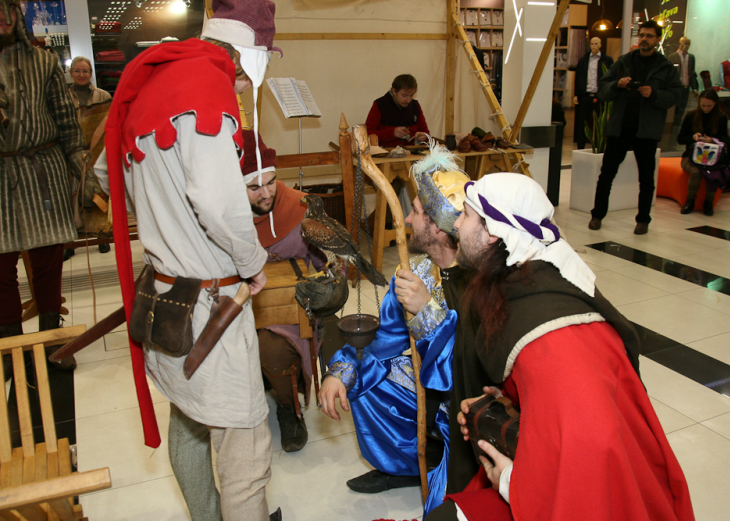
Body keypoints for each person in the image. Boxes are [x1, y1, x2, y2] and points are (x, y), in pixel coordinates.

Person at [425, 173, 695, 521]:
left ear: (493, 232)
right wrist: (513, 401)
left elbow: (591, 453)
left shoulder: (547, 348)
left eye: (464, 215)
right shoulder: (531, 285)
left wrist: (508, 479)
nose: (456, 225)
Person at [104, 1, 283, 519]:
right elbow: (215, 200)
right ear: (251, 55)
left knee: (187, 418)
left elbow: (104, 174)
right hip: (210, 306)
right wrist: (252, 260)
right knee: (245, 453)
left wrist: (164, 224)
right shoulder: (207, 86)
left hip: (165, 298)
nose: (252, 83)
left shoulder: (155, 80)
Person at [319, 141, 470, 516]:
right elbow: (384, 340)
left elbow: (471, 366)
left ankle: (443, 460)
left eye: (416, 212)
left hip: (464, 407)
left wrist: (426, 312)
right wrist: (340, 372)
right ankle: (403, 466)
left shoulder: (481, 281)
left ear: (437, 227)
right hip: (427, 392)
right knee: (365, 378)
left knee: (444, 509)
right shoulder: (416, 271)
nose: (405, 220)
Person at [242, 129, 347, 453]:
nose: (266, 193)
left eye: (271, 181)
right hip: (241, 309)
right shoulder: (223, 217)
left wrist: (331, 284)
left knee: (271, 352)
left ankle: (290, 411)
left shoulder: (300, 207)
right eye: (254, 186)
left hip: (293, 310)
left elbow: (334, 260)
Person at [0, 0, 86, 369]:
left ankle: (53, 343)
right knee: (1, 267)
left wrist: (84, 171)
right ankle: (11, 348)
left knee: (49, 260)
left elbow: (67, 121)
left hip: (43, 169)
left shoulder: (44, 61)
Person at [588, 20, 682, 235]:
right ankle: (597, 215)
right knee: (606, 175)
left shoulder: (665, 67)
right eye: (642, 35)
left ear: (657, 40)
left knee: (646, 178)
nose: (644, 39)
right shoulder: (623, 62)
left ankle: (643, 220)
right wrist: (617, 85)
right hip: (620, 128)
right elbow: (602, 90)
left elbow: (675, 95)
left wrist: (654, 94)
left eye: (649, 36)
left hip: (646, 131)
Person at [66, 55, 113, 258]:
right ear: (71, 73)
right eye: (77, 71)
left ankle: (102, 237)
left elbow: (108, 123)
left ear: (91, 74)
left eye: (85, 71)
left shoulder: (103, 95)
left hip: (96, 151)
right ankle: (70, 242)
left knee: (98, 194)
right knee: (71, 196)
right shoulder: (63, 96)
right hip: (71, 151)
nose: (81, 75)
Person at [677, 89, 730, 216]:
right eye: (703, 105)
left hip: (713, 158)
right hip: (692, 157)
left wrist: (713, 140)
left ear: (716, 104)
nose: (706, 109)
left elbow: (726, 139)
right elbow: (680, 139)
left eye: (709, 106)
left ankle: (709, 203)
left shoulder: (721, 118)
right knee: (696, 172)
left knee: (713, 173)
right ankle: (690, 201)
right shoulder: (691, 116)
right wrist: (693, 137)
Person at [366, 74, 430, 147]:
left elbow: (426, 133)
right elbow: (367, 134)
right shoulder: (380, 105)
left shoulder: (415, 106)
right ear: (394, 91)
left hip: (411, 153)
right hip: (386, 153)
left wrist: (424, 137)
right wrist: (392, 133)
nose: (408, 100)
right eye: (404, 95)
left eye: (411, 95)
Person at [573, 37, 613, 150]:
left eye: (596, 44)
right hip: (586, 95)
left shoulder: (607, 60)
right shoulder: (584, 60)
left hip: (599, 95)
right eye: (592, 44)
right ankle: (580, 146)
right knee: (583, 122)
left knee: (601, 121)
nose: (594, 46)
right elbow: (578, 77)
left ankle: (601, 145)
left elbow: (611, 77)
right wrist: (576, 94)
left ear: (600, 45)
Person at [668, 37, 699, 131]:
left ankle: (677, 128)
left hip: (686, 87)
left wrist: (694, 88)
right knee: (675, 109)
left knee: (682, 109)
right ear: (680, 43)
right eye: (685, 43)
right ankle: (672, 128)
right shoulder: (672, 57)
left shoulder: (691, 57)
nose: (687, 46)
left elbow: (692, 73)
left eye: (689, 43)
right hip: (676, 87)